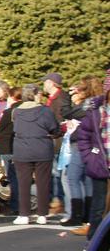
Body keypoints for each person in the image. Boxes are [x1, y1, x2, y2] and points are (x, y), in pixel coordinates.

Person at [11, 83, 59, 225]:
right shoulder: (45, 111)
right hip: (42, 148)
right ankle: (42, 214)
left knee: (23, 183)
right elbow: (54, 129)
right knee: (43, 183)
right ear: (36, 94)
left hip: (22, 149)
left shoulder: (16, 111)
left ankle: (24, 214)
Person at [58, 78, 98, 227]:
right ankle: (87, 215)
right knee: (88, 180)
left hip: (82, 144)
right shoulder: (97, 103)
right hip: (92, 145)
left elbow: (67, 113)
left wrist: (67, 96)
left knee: (72, 177)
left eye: (78, 90)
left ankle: (77, 215)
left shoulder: (88, 104)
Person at [75, 69, 110, 239]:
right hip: (100, 163)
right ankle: (93, 240)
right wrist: (89, 157)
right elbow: (84, 136)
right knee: (99, 205)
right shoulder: (97, 111)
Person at [42, 73, 69, 214]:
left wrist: (54, 132)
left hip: (57, 139)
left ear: (52, 83)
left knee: (57, 172)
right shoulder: (52, 99)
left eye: (45, 82)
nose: (43, 85)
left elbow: (62, 119)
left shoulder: (61, 98)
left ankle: (60, 201)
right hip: (52, 138)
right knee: (54, 172)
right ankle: (56, 199)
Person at [0, 86, 22, 215]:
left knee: (13, 177)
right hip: (21, 146)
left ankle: (15, 204)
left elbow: (1, 128)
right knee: (20, 177)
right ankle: (20, 203)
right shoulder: (25, 109)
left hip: (8, 146)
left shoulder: (10, 111)